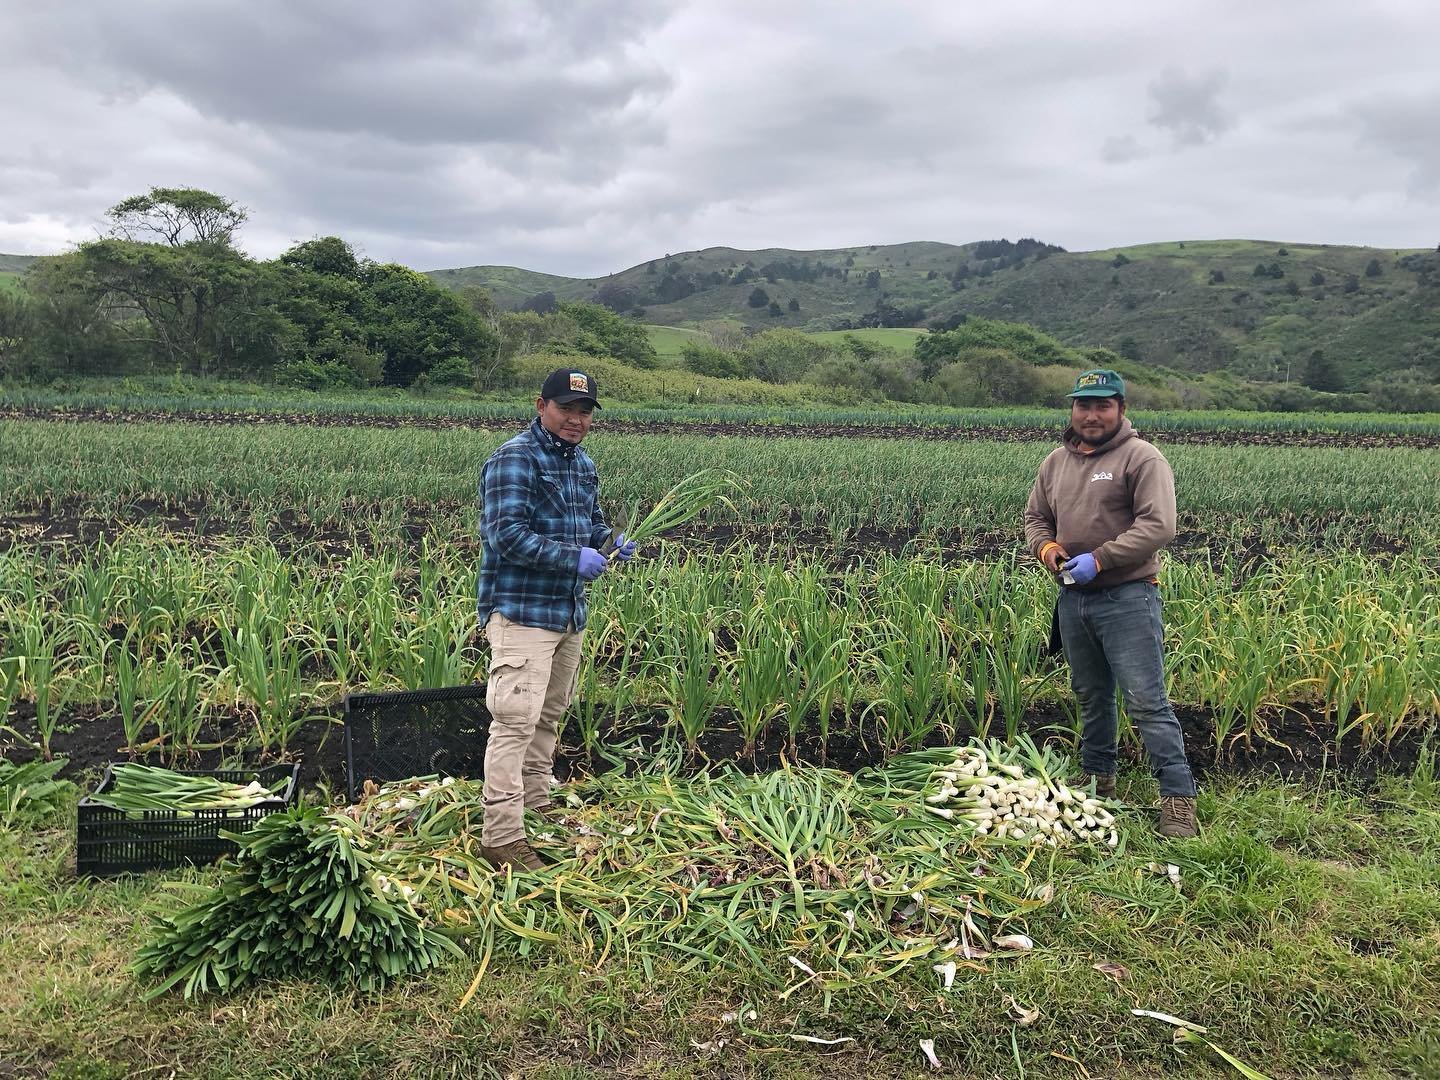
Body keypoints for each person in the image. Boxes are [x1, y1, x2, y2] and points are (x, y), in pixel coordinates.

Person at [1023, 368, 1199, 839]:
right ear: (1072, 410)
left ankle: (1178, 799)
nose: (1092, 414)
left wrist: (1099, 560)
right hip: (1073, 599)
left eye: (1103, 405)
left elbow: (1158, 526)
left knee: (1146, 701)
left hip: (1127, 598)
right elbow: (1036, 517)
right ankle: (1098, 776)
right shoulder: (1055, 462)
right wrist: (1050, 551)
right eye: (1084, 404)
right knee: (1091, 694)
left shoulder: (1141, 458)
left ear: (1121, 408)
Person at [476, 367, 637, 871]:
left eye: (585, 411)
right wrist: (574, 558)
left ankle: (537, 802)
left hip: (567, 612)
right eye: (566, 408)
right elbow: (506, 537)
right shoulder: (514, 459)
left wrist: (608, 542)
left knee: (549, 712)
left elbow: (587, 523)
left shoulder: (582, 463)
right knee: (515, 722)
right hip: (524, 612)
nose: (576, 419)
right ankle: (501, 836)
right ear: (540, 405)